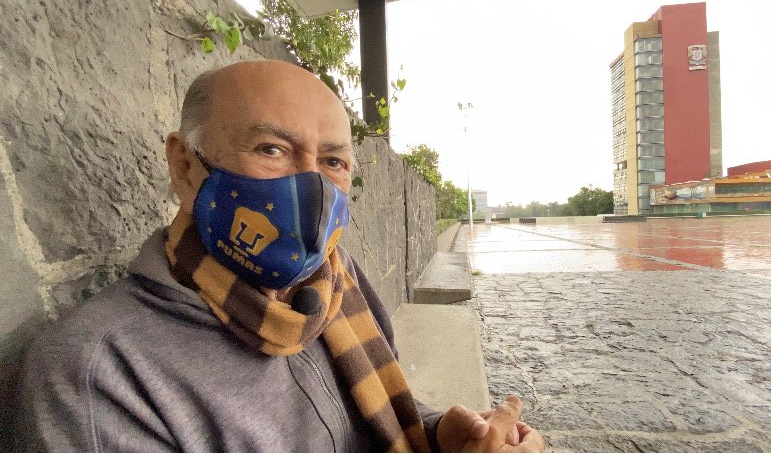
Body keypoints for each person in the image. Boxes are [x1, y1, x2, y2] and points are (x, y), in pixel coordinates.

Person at [17, 60, 544, 452]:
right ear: (185, 166)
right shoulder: (101, 377)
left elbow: (376, 413)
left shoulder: (337, 280)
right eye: (272, 149)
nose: (311, 190)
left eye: (333, 161)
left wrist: (442, 434)